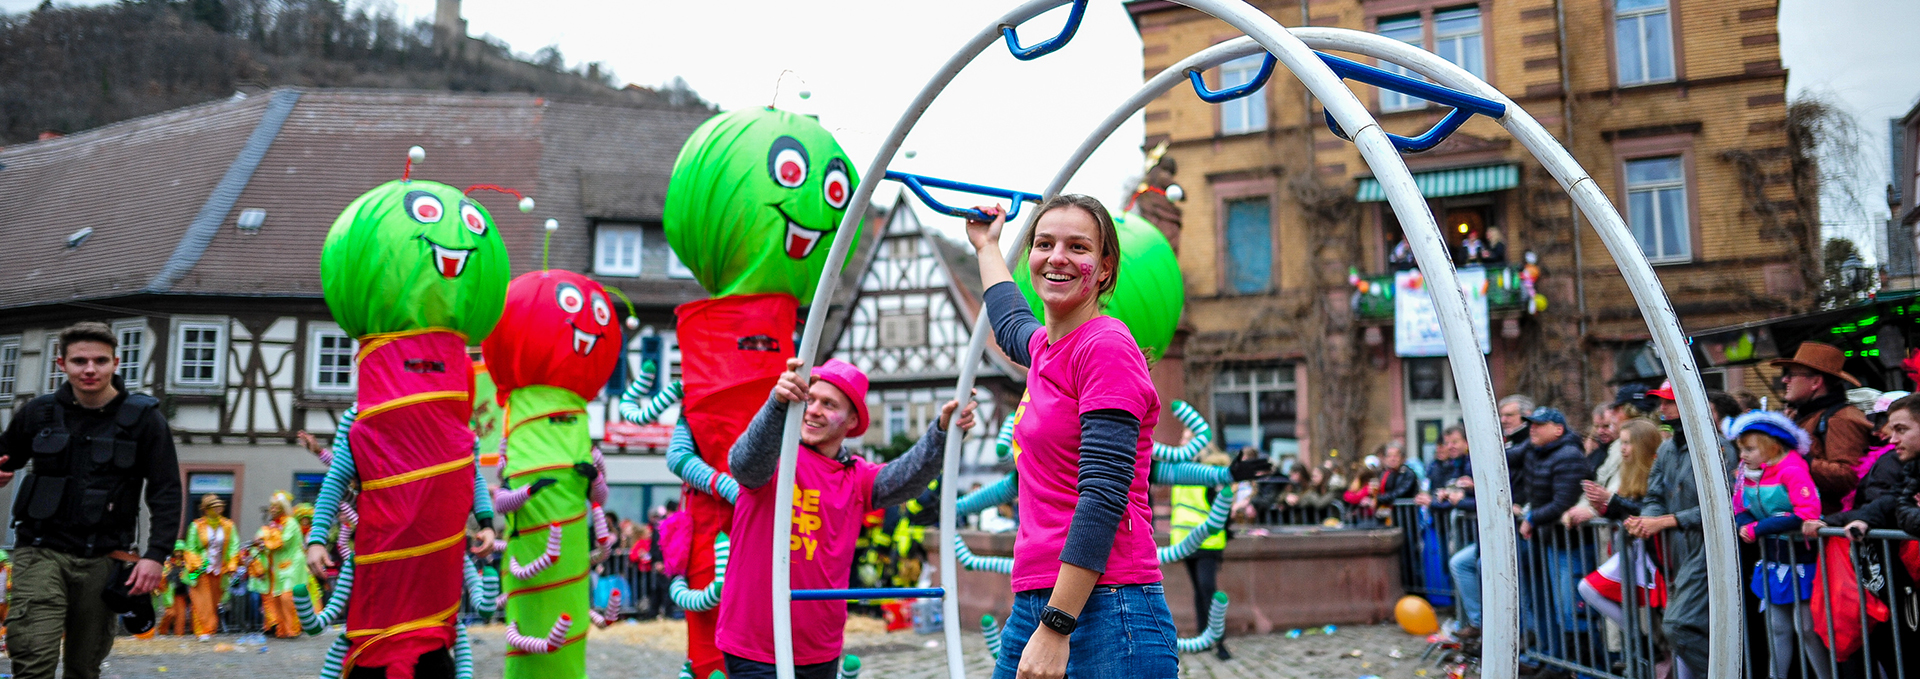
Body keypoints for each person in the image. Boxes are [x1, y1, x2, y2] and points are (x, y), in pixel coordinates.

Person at [968, 196, 1268, 679]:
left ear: (1104, 268)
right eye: (1044, 244)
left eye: (1077, 246)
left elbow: (1104, 493)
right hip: (1038, 601)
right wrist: (986, 246)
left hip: (1107, 610)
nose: (1057, 256)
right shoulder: (1047, 348)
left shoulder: (1104, 346)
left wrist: (1057, 624)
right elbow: (1008, 323)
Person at [714, 357, 977, 679]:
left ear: (852, 420)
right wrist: (777, 404)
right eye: (809, 399)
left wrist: (941, 434)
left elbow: (905, 478)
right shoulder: (775, 457)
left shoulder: (855, 476)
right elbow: (745, 465)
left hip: (819, 649)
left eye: (828, 404)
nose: (813, 410)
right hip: (754, 646)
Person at [0, 322, 182, 679]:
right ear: (61, 364)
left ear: (116, 363)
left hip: (105, 558)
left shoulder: (145, 421)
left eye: (100, 361)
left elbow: (166, 490)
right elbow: (6, 457)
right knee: (33, 660)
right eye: (79, 360)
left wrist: (156, 555)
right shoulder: (39, 413)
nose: (89, 369)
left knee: (84, 667)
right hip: (40, 550)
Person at [1624, 385, 1734, 679]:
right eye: (1660, 403)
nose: (1663, 409)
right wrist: (1646, 520)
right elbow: (1654, 496)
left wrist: (1666, 521)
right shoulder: (1666, 447)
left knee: (1679, 624)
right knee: (1691, 625)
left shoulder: (1718, 447)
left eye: (1670, 403)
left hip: (1709, 550)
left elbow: (1724, 506)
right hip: (1676, 550)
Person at [1726, 411, 1829, 679]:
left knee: (1806, 628)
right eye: (1742, 449)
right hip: (1774, 558)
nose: (1743, 455)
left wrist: (1758, 528)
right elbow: (1740, 507)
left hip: (1803, 559)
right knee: (1777, 626)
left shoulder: (1792, 469)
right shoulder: (1750, 473)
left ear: (1771, 446)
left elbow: (1806, 511)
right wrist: (1746, 523)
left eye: (1749, 448)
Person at [1513, 407, 1594, 672]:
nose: (1532, 429)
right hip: (1551, 540)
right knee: (1552, 603)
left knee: (1571, 609)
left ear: (1558, 429)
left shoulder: (1568, 455)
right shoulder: (1537, 449)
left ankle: (1579, 668)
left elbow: (1563, 501)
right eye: (1531, 424)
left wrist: (1532, 517)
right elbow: (1505, 456)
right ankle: (1557, 661)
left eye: (1539, 424)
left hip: (1570, 543)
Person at [1574, 420, 1663, 638]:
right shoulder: (1628, 471)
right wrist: (1603, 507)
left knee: (1663, 615)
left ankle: (1660, 657)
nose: (1622, 448)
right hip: (1635, 550)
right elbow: (1627, 512)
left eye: (1628, 443)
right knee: (1588, 588)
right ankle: (1643, 645)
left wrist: (1611, 500)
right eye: (1621, 442)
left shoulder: (1656, 470)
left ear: (1643, 445)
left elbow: (1649, 510)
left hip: (1656, 553)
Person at [1773, 342, 1872, 514]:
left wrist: (1794, 459)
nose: (1785, 380)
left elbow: (1848, 476)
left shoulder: (1842, 419)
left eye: (1791, 374)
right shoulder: (1807, 415)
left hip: (1831, 528)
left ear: (1816, 382)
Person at [1170, 451, 1233, 661]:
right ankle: (1211, 639)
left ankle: (1213, 639)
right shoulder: (1195, 479)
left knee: (1204, 590)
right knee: (1203, 590)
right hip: (1197, 543)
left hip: (1197, 542)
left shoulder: (1188, 477)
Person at [182, 494, 238, 640]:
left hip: (219, 569)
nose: (219, 509)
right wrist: (198, 564)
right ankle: (203, 631)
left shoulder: (228, 525)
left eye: (220, 506)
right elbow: (190, 548)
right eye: (214, 507)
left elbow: (233, 546)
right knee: (202, 600)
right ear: (206, 509)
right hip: (200, 569)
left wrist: (232, 565)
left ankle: (208, 629)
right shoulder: (196, 526)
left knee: (213, 601)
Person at [254, 491, 306, 639]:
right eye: (271, 507)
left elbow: (281, 542)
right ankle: (282, 630)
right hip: (278, 567)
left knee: (286, 597)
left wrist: (264, 542)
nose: (272, 509)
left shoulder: (290, 523)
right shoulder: (273, 525)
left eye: (276, 507)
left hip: (292, 565)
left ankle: (293, 629)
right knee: (277, 598)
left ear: (283, 508)